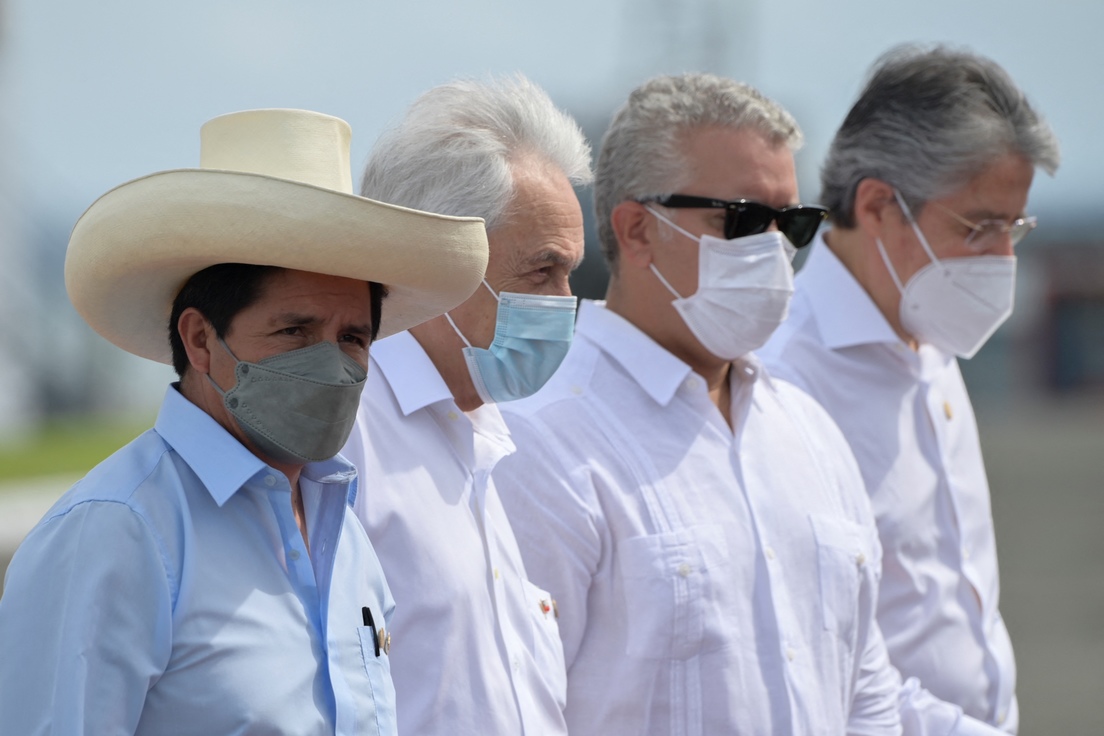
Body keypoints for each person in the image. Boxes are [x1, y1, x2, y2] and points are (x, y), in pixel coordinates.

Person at [0, 108, 488, 735]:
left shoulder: (339, 527)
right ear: (200, 340)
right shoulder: (118, 532)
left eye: (354, 338)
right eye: (294, 332)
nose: (332, 365)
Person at [493, 72, 904, 735]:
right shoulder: (544, 438)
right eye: (743, 220)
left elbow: (866, 695)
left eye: (791, 224)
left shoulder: (812, 433)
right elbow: (517, 710)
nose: (773, 250)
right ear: (637, 230)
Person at [760, 44, 1060, 735]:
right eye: (979, 227)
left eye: (1015, 228)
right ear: (878, 205)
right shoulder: (782, 383)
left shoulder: (932, 335)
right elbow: (813, 654)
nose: (1003, 258)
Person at [338, 76, 591, 735]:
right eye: (542, 271)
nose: (565, 301)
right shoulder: (344, 435)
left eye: (569, 273)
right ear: (436, 263)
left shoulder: (485, 428)